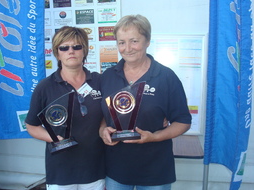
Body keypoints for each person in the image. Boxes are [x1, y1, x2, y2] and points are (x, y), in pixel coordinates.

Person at [99, 14, 192, 190]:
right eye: (121, 42)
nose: (127, 48)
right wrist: (102, 130)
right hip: (116, 169)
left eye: (134, 41)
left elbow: (183, 121)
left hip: (155, 171)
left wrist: (154, 137)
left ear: (147, 41)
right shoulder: (108, 76)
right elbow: (104, 116)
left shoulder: (166, 77)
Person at [25, 26, 105, 190]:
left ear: (84, 51)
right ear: (57, 53)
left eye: (77, 46)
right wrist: (54, 138)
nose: (71, 51)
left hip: (95, 167)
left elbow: (113, 111)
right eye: (64, 47)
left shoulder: (100, 81)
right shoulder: (45, 87)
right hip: (60, 170)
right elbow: (31, 126)